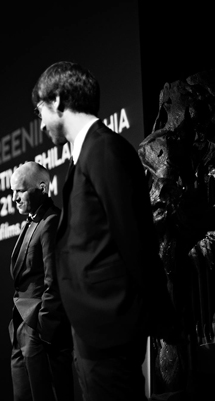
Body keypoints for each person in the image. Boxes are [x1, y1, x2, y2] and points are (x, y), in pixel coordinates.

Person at [32, 61, 174, 400]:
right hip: (92, 332)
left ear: (59, 99)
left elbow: (136, 240)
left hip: (112, 329)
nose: (40, 126)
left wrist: (167, 325)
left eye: (40, 112)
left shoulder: (105, 149)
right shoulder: (85, 156)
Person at [8, 161, 73, 401]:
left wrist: (43, 327)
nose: (14, 198)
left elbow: (54, 280)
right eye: (12, 191)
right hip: (21, 325)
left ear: (42, 187)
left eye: (20, 190)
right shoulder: (34, 221)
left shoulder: (51, 221)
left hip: (39, 328)